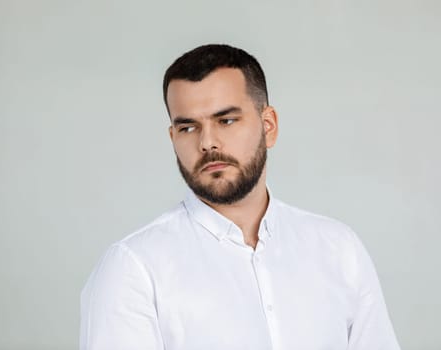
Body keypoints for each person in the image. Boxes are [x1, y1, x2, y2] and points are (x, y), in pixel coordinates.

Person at [80, 44, 401, 350]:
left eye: (226, 120)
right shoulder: (134, 269)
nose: (207, 142)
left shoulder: (338, 249)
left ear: (269, 126)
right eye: (188, 128)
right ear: (173, 137)